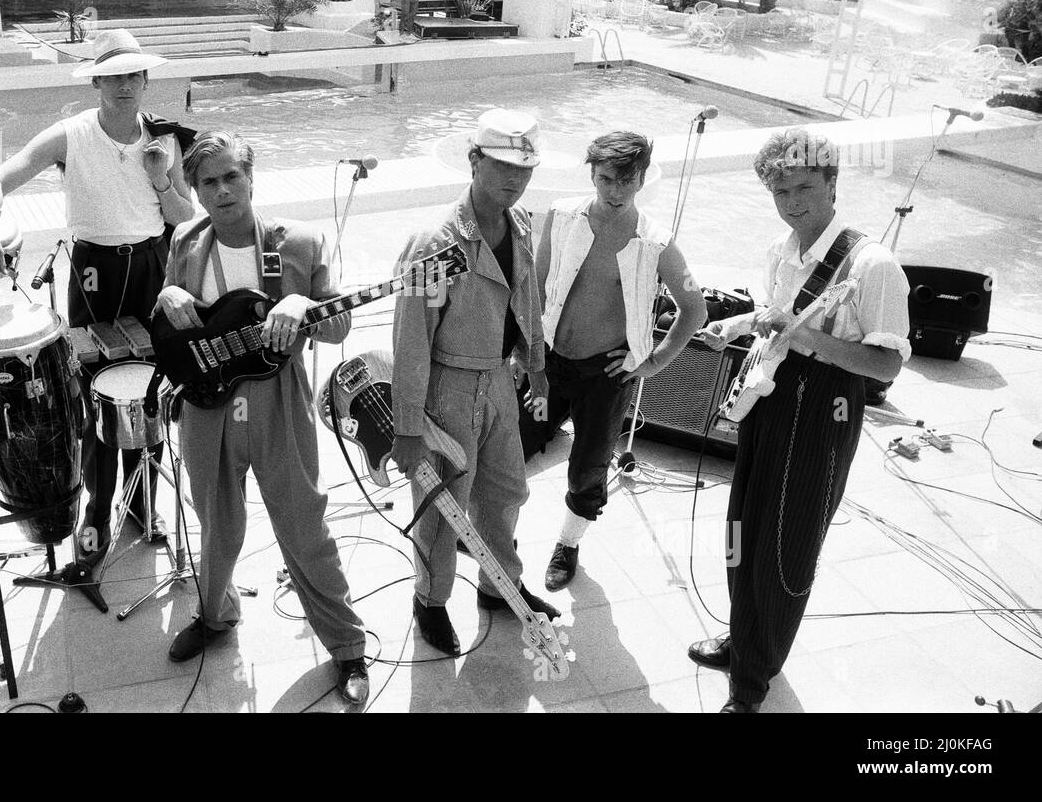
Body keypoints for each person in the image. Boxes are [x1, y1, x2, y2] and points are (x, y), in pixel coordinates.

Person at [687, 128, 910, 713]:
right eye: (779, 191)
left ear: (833, 184)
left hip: (826, 406)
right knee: (743, 527)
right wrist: (738, 327)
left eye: (805, 187)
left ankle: (752, 683)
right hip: (772, 394)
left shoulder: (872, 263)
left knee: (785, 545)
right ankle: (744, 638)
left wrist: (806, 335)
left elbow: (888, 363)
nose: (792, 202)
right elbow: (776, 315)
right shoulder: (781, 250)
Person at [154, 131, 369, 705]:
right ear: (194, 191)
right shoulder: (185, 240)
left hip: (276, 397)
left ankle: (348, 646)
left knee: (303, 522)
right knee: (215, 521)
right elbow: (174, 313)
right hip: (207, 404)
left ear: (251, 177)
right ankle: (215, 614)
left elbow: (340, 322)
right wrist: (166, 297)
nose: (222, 190)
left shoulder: (295, 242)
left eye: (232, 176)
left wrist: (304, 305)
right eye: (208, 181)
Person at [0, 29, 196, 565]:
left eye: (133, 75)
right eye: (113, 75)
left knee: (152, 388)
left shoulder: (165, 141)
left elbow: (185, 217)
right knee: (94, 392)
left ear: (145, 80)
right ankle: (96, 512)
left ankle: (143, 501)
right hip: (93, 271)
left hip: (152, 266)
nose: (124, 84)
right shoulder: (71, 135)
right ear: (96, 80)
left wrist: (162, 179)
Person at [390, 109, 560, 657]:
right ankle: (431, 600)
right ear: (473, 161)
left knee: (505, 492)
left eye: (525, 169)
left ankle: (498, 585)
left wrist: (535, 367)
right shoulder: (434, 243)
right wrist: (408, 426)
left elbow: (526, 300)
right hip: (448, 388)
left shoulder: (521, 225)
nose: (515, 179)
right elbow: (412, 339)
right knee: (443, 508)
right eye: (503, 165)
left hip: (499, 384)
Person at [521, 132, 708, 592]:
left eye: (627, 181)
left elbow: (695, 309)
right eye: (606, 179)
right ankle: (491, 532)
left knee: (588, 468)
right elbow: (535, 285)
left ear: (643, 178)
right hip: (549, 361)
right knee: (511, 446)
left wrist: (654, 361)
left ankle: (567, 544)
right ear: (592, 174)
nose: (616, 191)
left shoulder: (657, 241)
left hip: (606, 374)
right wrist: (527, 358)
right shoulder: (562, 216)